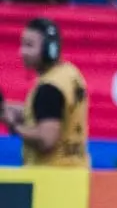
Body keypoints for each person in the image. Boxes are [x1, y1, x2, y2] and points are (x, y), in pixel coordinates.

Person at [4, 18, 88, 168]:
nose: (22, 52)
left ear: (50, 49)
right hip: (77, 174)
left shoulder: (49, 88)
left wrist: (13, 126)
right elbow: (52, 112)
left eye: (29, 45)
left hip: (51, 178)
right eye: (22, 44)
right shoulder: (69, 73)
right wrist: (9, 109)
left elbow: (46, 140)